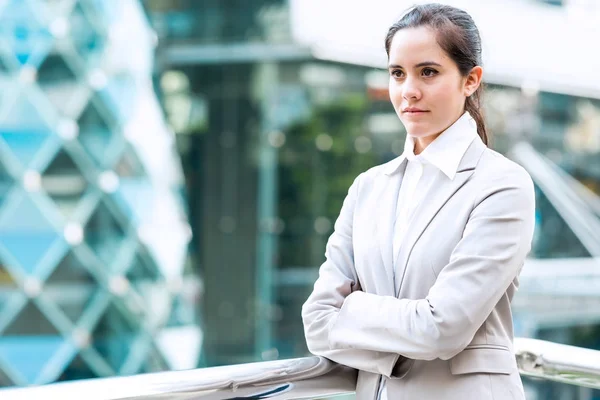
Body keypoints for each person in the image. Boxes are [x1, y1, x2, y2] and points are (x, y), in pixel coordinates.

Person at [301, 3, 535, 400]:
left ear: (470, 80)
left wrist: (353, 310)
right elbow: (317, 322)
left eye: (428, 72)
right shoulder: (368, 188)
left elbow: (442, 329)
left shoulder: (503, 185)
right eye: (397, 73)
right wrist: (402, 338)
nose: (408, 90)